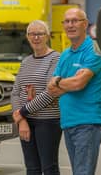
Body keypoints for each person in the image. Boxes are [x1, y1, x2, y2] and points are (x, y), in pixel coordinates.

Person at [47, 8, 101, 175]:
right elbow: (52, 90)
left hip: (88, 123)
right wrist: (66, 83)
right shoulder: (65, 55)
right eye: (66, 21)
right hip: (68, 123)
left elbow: (78, 83)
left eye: (75, 20)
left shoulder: (96, 50)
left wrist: (60, 81)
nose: (70, 25)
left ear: (85, 24)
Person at [11, 20, 62, 175]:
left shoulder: (56, 59)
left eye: (40, 33)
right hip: (26, 121)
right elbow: (15, 92)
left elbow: (50, 92)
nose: (36, 37)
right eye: (32, 34)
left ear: (47, 36)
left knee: (49, 168)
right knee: (32, 168)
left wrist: (22, 112)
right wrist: (22, 120)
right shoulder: (26, 62)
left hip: (48, 122)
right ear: (27, 37)